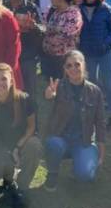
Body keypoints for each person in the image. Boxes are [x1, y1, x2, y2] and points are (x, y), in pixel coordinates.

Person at [43, 50, 107, 191]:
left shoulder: (95, 91)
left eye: (77, 64)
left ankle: (78, 165)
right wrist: (49, 97)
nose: (73, 69)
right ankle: (52, 173)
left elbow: (101, 123)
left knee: (86, 176)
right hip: (61, 138)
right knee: (53, 144)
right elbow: (46, 111)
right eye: (69, 66)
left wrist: (102, 153)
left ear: (84, 65)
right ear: (64, 69)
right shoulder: (58, 87)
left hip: (83, 141)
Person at [0, 63, 41, 208]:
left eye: (4, 79)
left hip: (21, 142)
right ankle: (8, 180)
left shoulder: (24, 99)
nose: (0, 83)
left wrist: (18, 147)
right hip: (0, 145)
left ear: (11, 81)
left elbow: (31, 127)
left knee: (35, 145)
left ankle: (21, 187)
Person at [78, 0, 111, 130]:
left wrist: (105, 43)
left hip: (105, 53)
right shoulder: (78, 9)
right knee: (92, 82)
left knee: (108, 83)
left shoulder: (105, 9)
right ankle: (95, 113)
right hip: (88, 53)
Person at [4, 0, 43, 98]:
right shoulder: (2, 8)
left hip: (28, 58)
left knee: (30, 94)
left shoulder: (31, 7)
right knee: (10, 93)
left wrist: (34, 26)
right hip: (8, 57)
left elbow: (43, 31)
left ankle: (31, 117)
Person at [41, 0, 82, 80]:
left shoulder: (73, 13)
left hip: (64, 59)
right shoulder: (54, 12)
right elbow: (46, 28)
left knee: (64, 87)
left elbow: (68, 33)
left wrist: (51, 29)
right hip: (50, 57)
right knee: (51, 86)